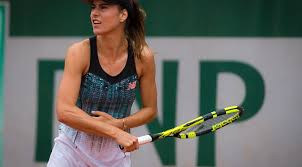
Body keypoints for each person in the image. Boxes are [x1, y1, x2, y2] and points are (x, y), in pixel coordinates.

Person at [47, 0, 157, 166]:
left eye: (103, 7)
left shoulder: (143, 57)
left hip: (115, 155)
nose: (94, 13)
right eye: (93, 7)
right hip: (71, 150)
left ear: (123, 14)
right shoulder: (79, 52)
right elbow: (64, 111)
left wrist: (120, 124)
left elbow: (150, 110)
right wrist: (114, 131)